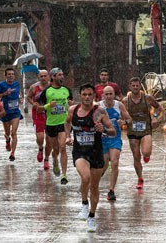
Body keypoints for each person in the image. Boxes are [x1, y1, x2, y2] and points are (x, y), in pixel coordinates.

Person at [65, 83, 116, 232]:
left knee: (94, 187)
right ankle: (84, 204)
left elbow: (113, 131)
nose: (87, 97)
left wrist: (104, 129)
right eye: (84, 95)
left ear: (94, 96)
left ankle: (92, 216)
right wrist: (68, 137)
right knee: (85, 177)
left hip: (96, 152)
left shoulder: (99, 111)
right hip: (80, 151)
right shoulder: (72, 110)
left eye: (90, 95)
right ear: (79, 96)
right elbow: (67, 123)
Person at [122, 77, 162, 190]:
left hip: (146, 130)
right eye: (133, 86)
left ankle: (147, 155)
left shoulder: (148, 98)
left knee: (146, 152)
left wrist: (154, 117)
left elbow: (159, 107)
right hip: (132, 131)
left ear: (140, 86)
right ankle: (140, 178)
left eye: (137, 85)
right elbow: (122, 114)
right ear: (129, 87)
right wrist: (122, 121)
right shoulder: (125, 101)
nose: (135, 87)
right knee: (136, 156)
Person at [39, 67, 74, 184]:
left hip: (63, 123)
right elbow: (38, 108)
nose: (62, 77)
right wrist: (48, 105)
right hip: (51, 124)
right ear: (53, 77)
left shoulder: (67, 90)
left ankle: (64, 175)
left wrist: (71, 105)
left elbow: (72, 105)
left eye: (62, 74)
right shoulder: (46, 92)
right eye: (59, 75)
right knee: (56, 149)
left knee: (63, 147)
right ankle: (54, 160)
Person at [99, 86, 132, 201]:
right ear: (103, 96)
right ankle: (94, 184)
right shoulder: (99, 106)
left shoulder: (119, 105)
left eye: (110, 94)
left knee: (115, 162)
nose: (108, 96)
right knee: (103, 166)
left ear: (114, 95)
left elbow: (129, 119)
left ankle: (111, 191)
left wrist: (123, 122)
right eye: (106, 94)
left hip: (115, 138)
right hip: (102, 139)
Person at [0, 67, 23, 161]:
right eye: (9, 74)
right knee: (7, 133)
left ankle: (12, 153)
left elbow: (19, 91)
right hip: (5, 113)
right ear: (5, 75)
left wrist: (20, 97)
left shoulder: (17, 84)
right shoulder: (1, 85)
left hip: (15, 112)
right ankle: (7, 140)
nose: (11, 76)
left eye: (12, 74)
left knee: (14, 132)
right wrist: (4, 93)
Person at [26, 69, 52, 169]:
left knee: (49, 140)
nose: (43, 78)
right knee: (40, 138)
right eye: (41, 76)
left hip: (50, 116)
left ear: (48, 77)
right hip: (38, 115)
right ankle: (40, 148)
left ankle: (46, 159)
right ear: (38, 77)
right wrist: (33, 103)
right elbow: (28, 97)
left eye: (45, 76)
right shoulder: (34, 87)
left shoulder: (52, 87)